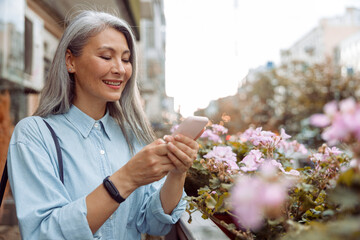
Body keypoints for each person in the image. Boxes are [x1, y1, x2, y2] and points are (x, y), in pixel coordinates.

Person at [7, 10, 200, 240]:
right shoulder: (33, 135)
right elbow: (43, 233)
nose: (120, 69)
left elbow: (154, 224)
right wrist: (126, 179)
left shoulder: (133, 136)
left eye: (126, 59)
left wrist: (177, 173)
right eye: (106, 57)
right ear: (70, 61)